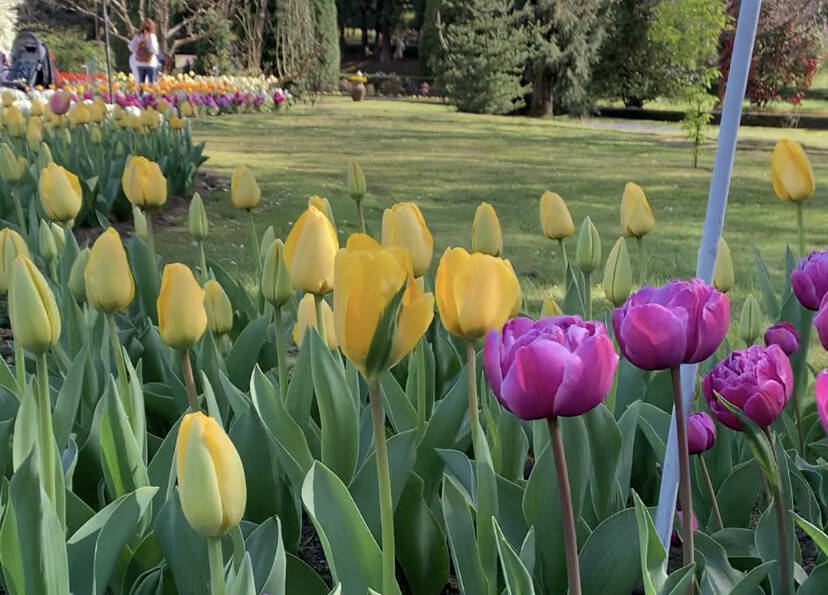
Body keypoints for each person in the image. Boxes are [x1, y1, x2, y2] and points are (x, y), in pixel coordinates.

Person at [128, 18, 159, 84]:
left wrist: (138, 48)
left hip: (137, 62)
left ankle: (140, 94)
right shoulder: (152, 36)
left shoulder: (138, 35)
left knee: (140, 83)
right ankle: (150, 94)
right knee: (151, 83)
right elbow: (154, 49)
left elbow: (130, 46)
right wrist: (147, 46)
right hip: (150, 62)